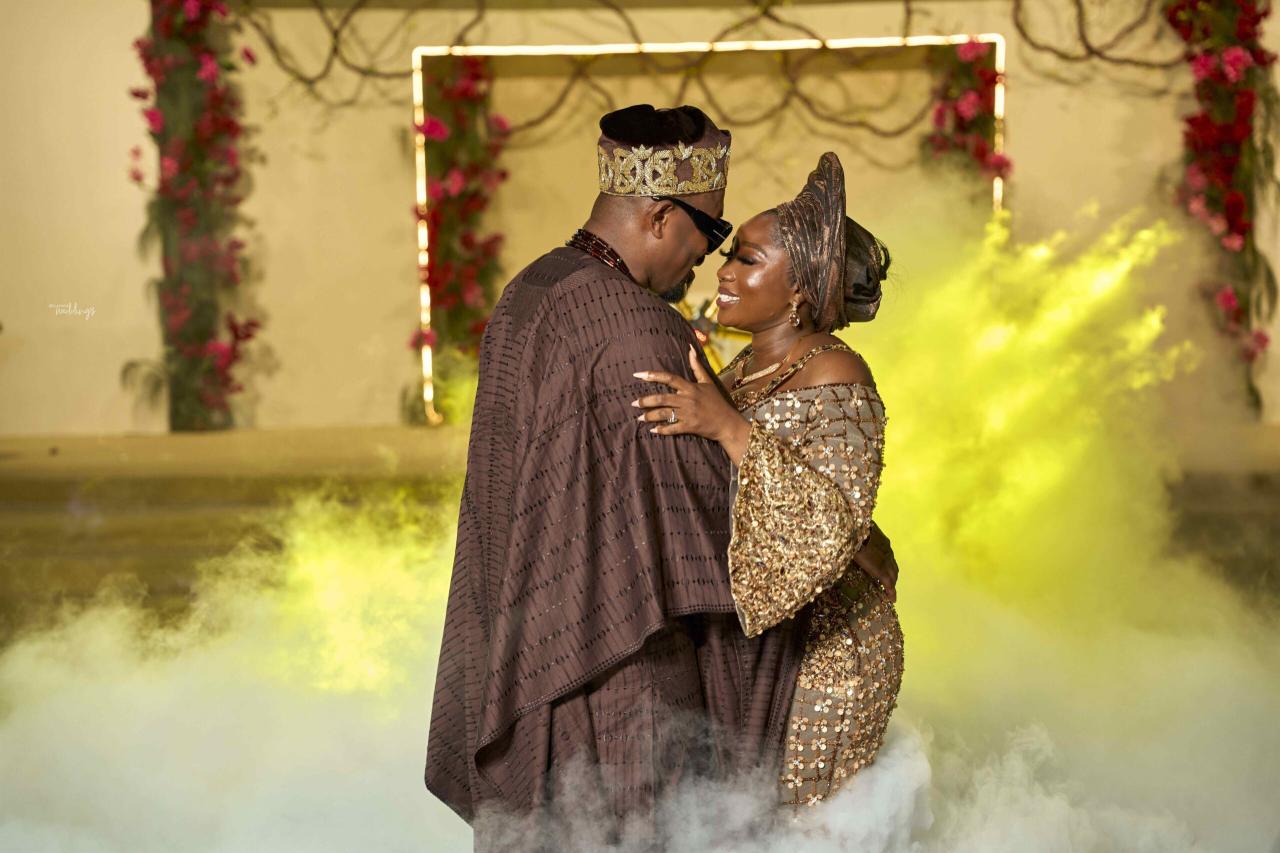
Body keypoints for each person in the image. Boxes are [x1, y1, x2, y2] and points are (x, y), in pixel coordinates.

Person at [633, 151, 905, 808]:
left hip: (827, 655)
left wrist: (729, 428)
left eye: (747, 260)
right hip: (765, 646)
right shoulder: (743, 368)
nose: (723, 271)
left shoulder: (836, 371)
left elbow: (832, 521)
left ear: (799, 289)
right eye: (730, 255)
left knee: (806, 827)